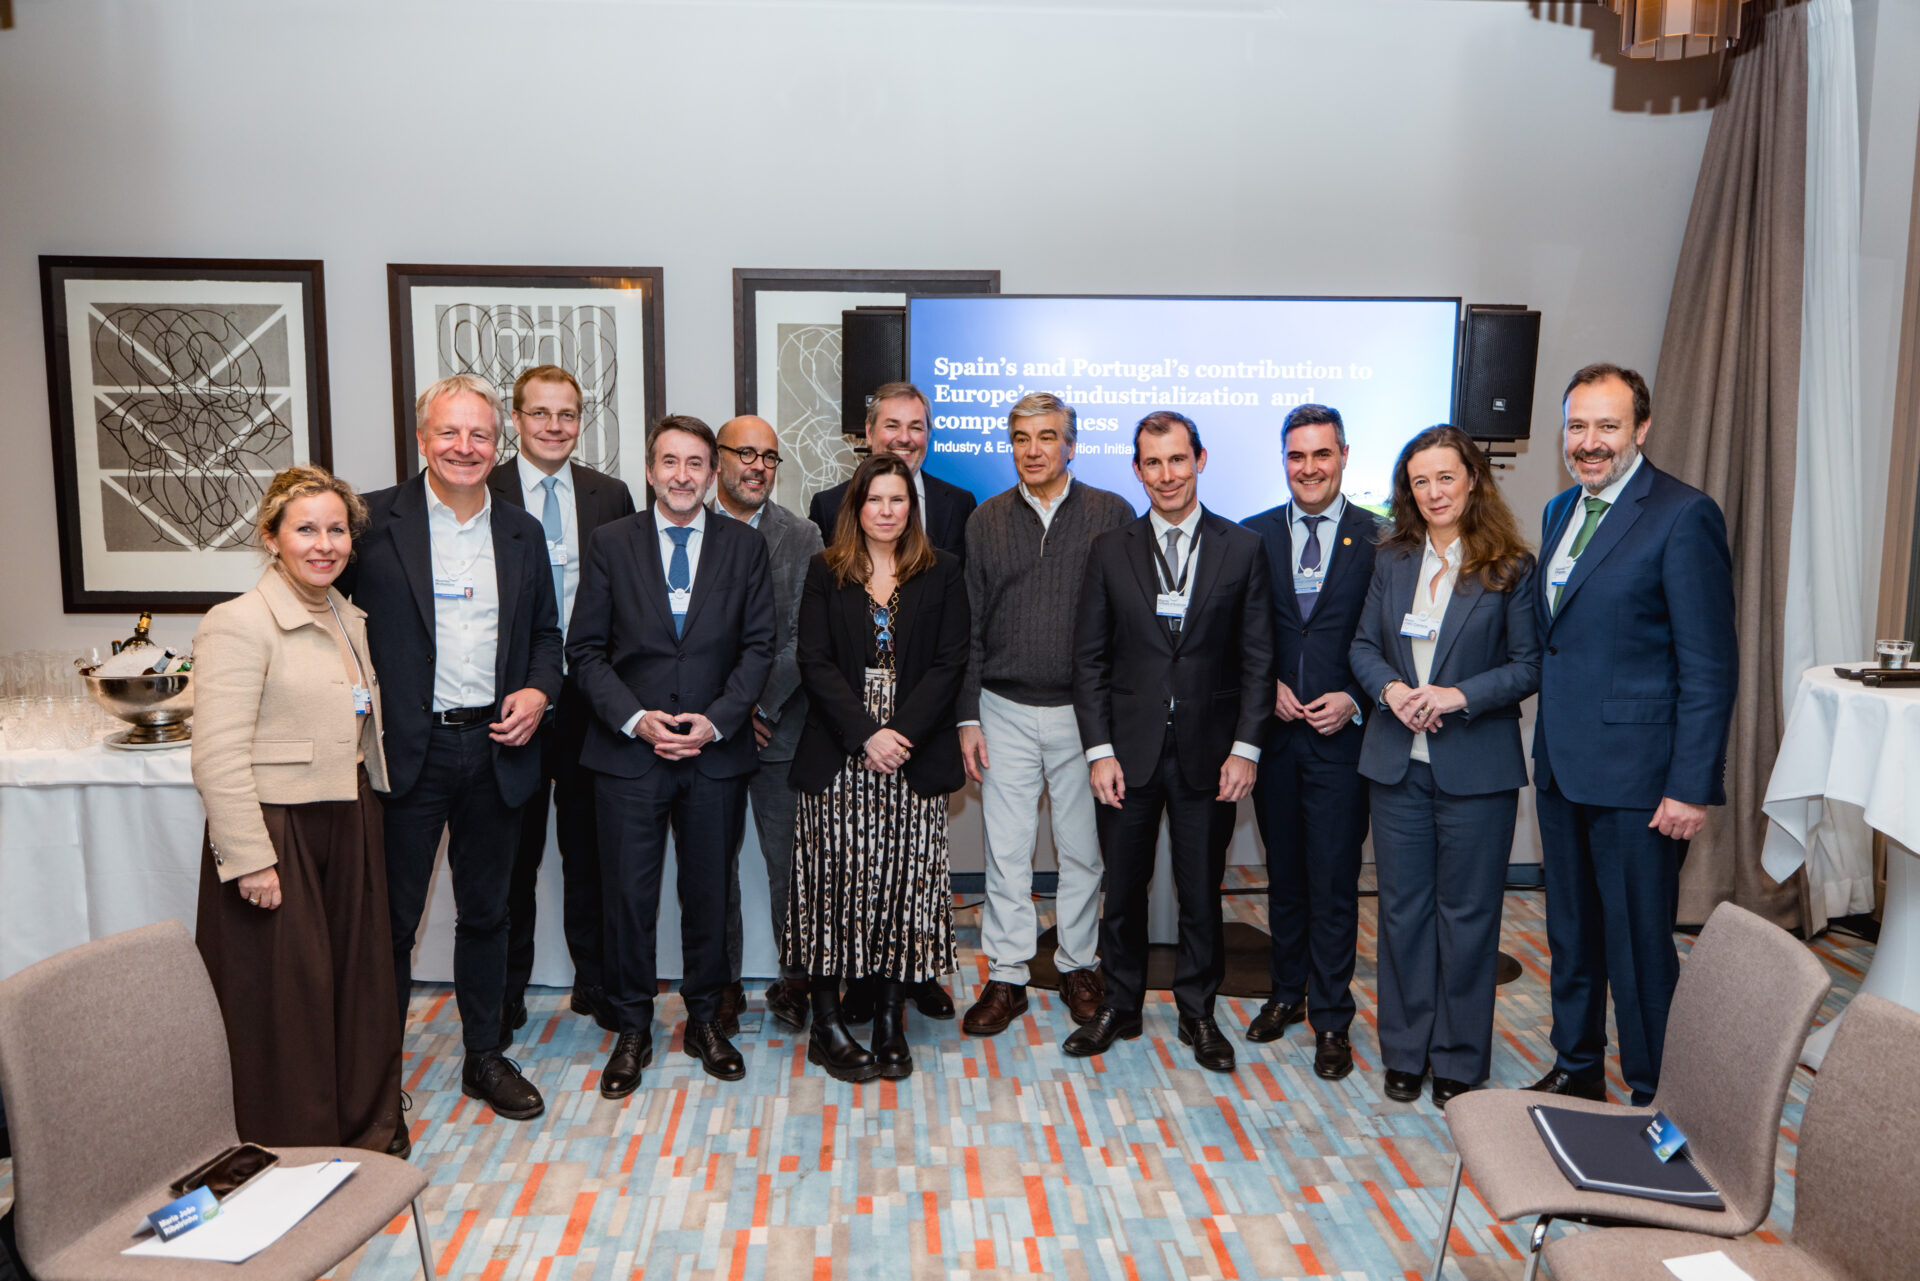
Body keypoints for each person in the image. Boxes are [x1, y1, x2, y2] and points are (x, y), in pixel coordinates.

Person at [345, 374, 563, 1122]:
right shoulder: (371, 523)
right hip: (408, 751)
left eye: (479, 434)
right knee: (392, 924)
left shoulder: (521, 532)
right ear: (422, 439)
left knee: (488, 914)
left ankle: (484, 1056)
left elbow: (547, 636)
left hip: (497, 749)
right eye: (449, 432)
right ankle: (376, 1083)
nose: (465, 447)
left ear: (498, 443)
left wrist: (539, 692)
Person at [1528, 363, 1736, 1107]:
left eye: (1607, 426)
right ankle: (1578, 1065)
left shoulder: (1684, 515)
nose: (1590, 442)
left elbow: (1709, 666)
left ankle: (1658, 1096)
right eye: (1577, 425)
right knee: (1572, 934)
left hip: (1640, 782)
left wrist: (1690, 785)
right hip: (1563, 768)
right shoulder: (1559, 510)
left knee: (1641, 949)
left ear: (1641, 429)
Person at [191, 465, 402, 1154]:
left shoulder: (345, 614)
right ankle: (292, 1143)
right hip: (278, 830)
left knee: (356, 982)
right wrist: (250, 858)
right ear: (271, 536)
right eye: (306, 529)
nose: (324, 544)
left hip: (349, 813)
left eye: (337, 530)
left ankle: (361, 1126)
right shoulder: (237, 623)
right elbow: (216, 755)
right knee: (287, 998)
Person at [566, 415, 775, 1093]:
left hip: (713, 755)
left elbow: (759, 648)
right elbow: (585, 650)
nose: (682, 476)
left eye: (695, 464)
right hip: (629, 755)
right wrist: (635, 719)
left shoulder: (745, 547)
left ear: (712, 474)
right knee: (627, 898)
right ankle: (632, 1027)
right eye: (669, 462)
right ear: (651, 470)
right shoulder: (611, 542)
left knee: (709, 894)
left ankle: (706, 1021)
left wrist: (717, 722)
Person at [1065, 411, 1275, 1073]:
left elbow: (1258, 660)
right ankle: (1119, 1004)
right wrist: (1098, 751)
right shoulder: (1110, 548)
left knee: (1200, 892)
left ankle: (1197, 1012)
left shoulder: (1243, 548)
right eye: (1152, 463)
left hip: (1210, 756)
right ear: (1136, 470)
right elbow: (1089, 660)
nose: (1166, 475)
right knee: (1122, 890)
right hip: (1125, 755)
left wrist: (1246, 748)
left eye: (1177, 459)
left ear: (1200, 460)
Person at [1348, 426, 1541, 1108]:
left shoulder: (1510, 567)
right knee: (1402, 914)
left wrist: (1457, 696)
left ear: (1473, 480)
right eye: (1420, 481)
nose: (1434, 492)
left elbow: (1528, 666)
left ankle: (1459, 1056)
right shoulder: (1392, 558)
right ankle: (1406, 1052)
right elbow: (1363, 646)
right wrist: (1392, 691)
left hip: (1476, 769)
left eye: (1446, 477)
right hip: (1397, 766)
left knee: (1467, 917)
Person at [788, 454, 970, 1082]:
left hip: (912, 751)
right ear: (856, 508)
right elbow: (814, 662)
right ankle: (827, 1023)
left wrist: (900, 735)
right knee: (831, 885)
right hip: (841, 748)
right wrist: (867, 734)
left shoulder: (943, 570)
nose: (886, 511)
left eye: (898, 500)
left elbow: (949, 664)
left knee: (902, 884)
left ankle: (891, 1019)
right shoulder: (825, 570)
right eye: (875, 500)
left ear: (911, 509)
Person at [956, 393, 1133, 1035]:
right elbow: (971, 625)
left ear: (1071, 445)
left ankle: (1079, 966)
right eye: (1021, 438)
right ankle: (1007, 976)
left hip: (1083, 715)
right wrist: (967, 716)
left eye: (1046, 437)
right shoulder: (985, 519)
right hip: (1002, 708)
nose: (1033, 450)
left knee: (1082, 853)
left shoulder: (1111, 514)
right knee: (1006, 853)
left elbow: (1126, 621)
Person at [490, 365, 637, 1040]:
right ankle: (505, 993)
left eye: (567, 414)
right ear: (516, 419)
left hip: (589, 700)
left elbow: (630, 598)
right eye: (541, 413)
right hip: (511, 700)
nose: (554, 426)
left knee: (592, 853)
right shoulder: (483, 488)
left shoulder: (610, 494)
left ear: (581, 421)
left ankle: (595, 981)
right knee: (511, 858)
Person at [1240, 404, 1380, 1079]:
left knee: (1333, 883)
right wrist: (1264, 683)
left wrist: (1355, 696)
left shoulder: (1381, 539)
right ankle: (1284, 993)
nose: (1309, 468)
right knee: (1286, 878)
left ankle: (1331, 1017)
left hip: (1343, 742)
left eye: (1322, 454)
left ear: (1343, 456)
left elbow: (1390, 641)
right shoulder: (1252, 535)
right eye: (1297, 456)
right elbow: (1237, 632)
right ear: (1284, 460)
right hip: (1275, 741)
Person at [711, 414, 824, 1033]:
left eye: (769, 457)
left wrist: (757, 707)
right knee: (713, 867)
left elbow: (806, 637)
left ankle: (796, 978)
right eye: (746, 453)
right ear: (719, 459)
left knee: (791, 868)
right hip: (707, 734)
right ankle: (722, 983)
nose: (758, 467)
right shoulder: (687, 528)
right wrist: (724, 713)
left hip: (780, 731)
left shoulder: (802, 535)